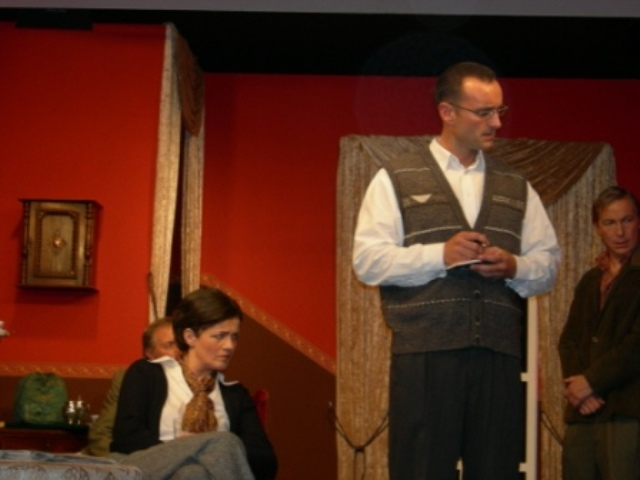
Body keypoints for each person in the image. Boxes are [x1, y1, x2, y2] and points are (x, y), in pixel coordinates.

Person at [352, 61, 560, 479]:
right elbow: (368, 261)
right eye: (484, 112)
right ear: (447, 112)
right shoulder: (395, 177)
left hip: (498, 359)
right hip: (424, 359)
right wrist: (440, 256)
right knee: (421, 469)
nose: (496, 122)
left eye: (500, 111)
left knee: (497, 470)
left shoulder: (517, 186)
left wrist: (514, 265)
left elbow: (548, 264)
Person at [110, 286, 278, 480]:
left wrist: (203, 454)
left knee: (193, 473)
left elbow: (266, 463)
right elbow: (125, 439)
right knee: (222, 443)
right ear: (189, 337)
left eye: (234, 337)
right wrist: (191, 447)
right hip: (143, 469)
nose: (229, 345)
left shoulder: (235, 395)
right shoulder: (147, 373)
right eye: (219, 336)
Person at [558, 186, 640, 480]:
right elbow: (568, 341)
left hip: (627, 411)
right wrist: (579, 388)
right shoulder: (590, 280)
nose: (620, 231)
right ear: (598, 228)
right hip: (583, 413)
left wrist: (591, 382)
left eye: (627, 220)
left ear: (638, 222)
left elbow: (635, 346)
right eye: (610, 222)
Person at [83, 317, 179, 457]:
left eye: (181, 345)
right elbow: (102, 432)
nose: (178, 351)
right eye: (169, 345)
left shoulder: (200, 380)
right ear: (149, 354)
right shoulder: (132, 378)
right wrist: (121, 462)